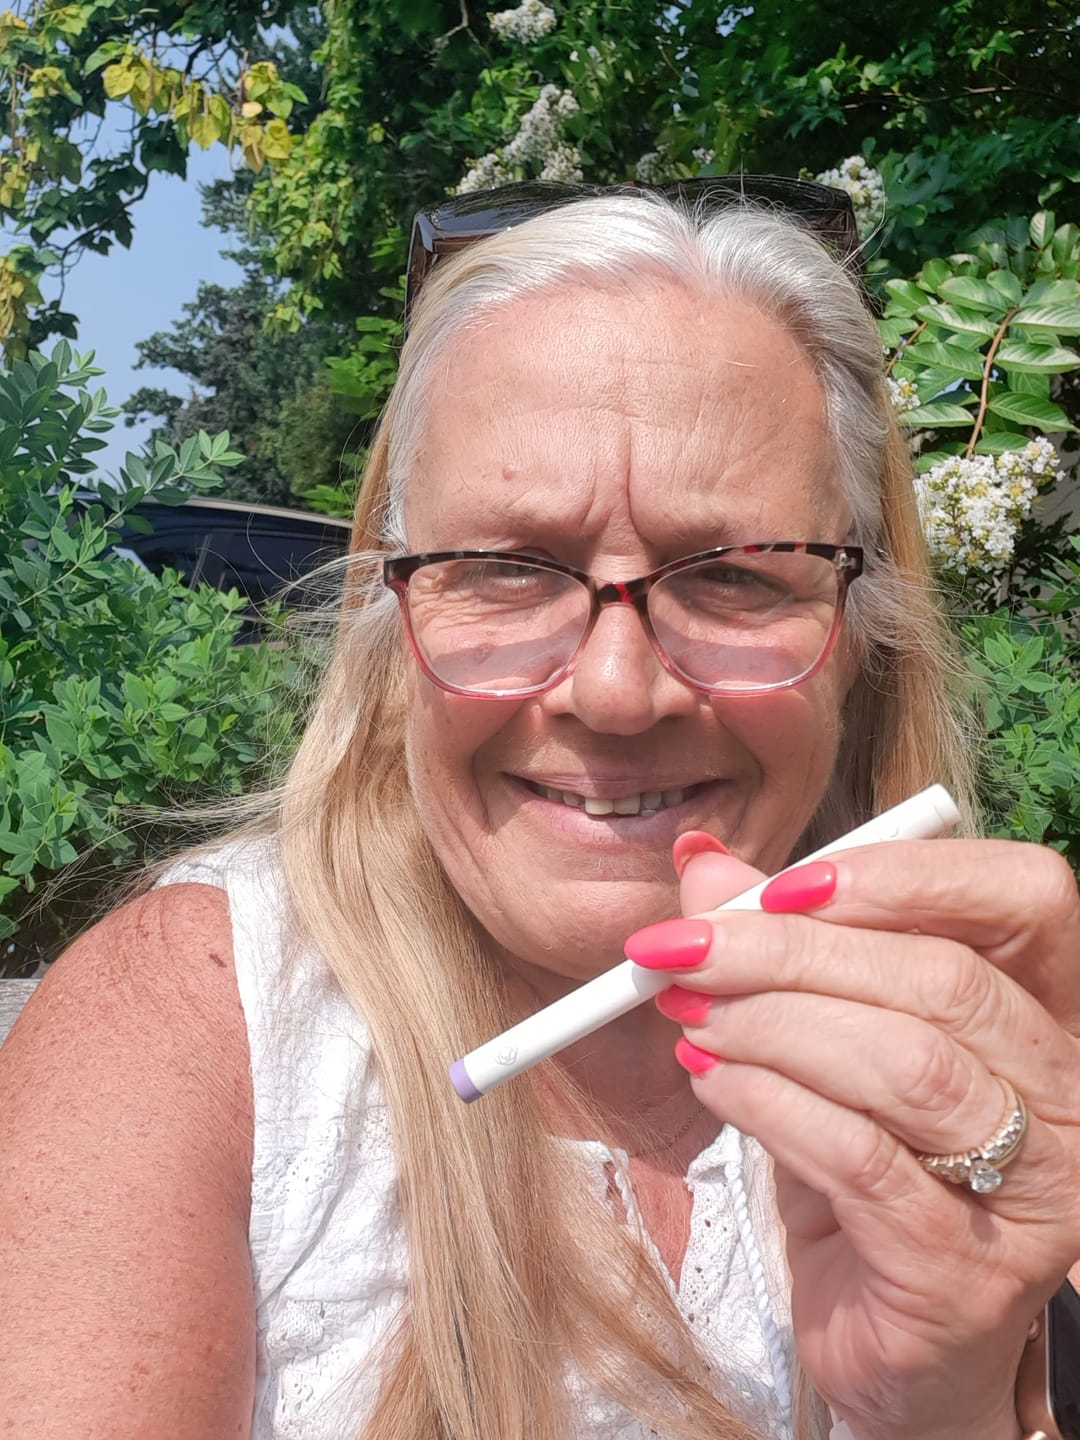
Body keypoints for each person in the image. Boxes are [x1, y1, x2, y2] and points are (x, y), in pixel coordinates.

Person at [1, 177, 1078, 1440]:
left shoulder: (987, 1074)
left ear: (860, 636)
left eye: (736, 576)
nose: (617, 693)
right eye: (508, 569)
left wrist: (946, 1404)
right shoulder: (198, 1034)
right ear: (389, 619)